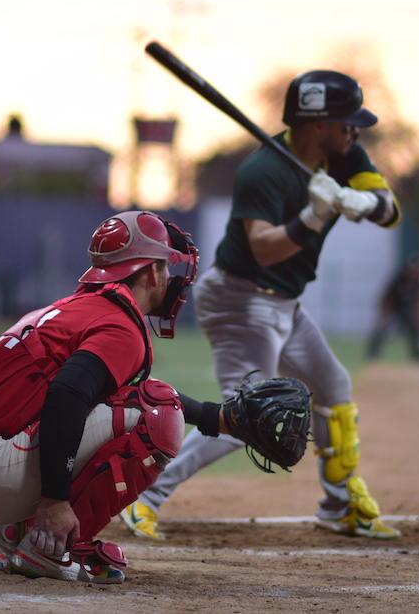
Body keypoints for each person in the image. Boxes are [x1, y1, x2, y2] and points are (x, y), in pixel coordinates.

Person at [0, 211, 306, 584]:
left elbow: (103, 393)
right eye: (166, 267)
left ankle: (1, 532)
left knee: (133, 402)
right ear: (150, 272)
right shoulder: (120, 326)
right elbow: (69, 395)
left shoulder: (78, 309)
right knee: (159, 415)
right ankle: (51, 546)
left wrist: (213, 417)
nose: (172, 280)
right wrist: (55, 501)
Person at [123, 70, 404, 540]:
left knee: (334, 387)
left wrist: (356, 201)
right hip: (240, 297)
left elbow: (390, 209)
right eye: (346, 123)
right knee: (246, 417)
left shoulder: (345, 154)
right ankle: (143, 497)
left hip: (284, 302)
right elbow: (264, 248)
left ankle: (337, 505)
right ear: (318, 126)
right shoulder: (263, 172)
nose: (355, 133)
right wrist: (313, 216)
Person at [365, 258, 419, 362]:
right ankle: (372, 353)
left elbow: (417, 301)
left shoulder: (417, 283)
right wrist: (384, 314)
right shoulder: (398, 279)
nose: (414, 273)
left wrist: (416, 317)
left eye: (417, 270)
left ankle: (417, 355)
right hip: (392, 305)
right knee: (382, 328)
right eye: (413, 270)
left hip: (404, 307)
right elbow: (386, 297)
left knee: (413, 329)